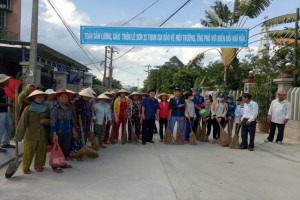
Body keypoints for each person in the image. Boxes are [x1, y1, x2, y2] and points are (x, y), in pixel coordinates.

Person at [15, 90, 50, 174]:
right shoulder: (28, 109)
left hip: (43, 134)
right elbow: (22, 123)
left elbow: (51, 121)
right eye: (38, 97)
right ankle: (26, 167)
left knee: (41, 151)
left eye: (42, 97)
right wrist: (18, 137)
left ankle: (38, 165)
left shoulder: (47, 109)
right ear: (33, 98)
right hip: (30, 134)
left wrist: (45, 121)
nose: (40, 98)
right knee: (28, 151)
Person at [50, 89, 77, 173]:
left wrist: (73, 130)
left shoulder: (69, 108)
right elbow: (53, 122)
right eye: (62, 96)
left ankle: (63, 163)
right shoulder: (55, 109)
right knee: (58, 149)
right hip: (58, 132)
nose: (64, 98)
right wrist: (54, 134)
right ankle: (55, 166)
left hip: (68, 131)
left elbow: (71, 121)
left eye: (66, 96)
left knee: (66, 148)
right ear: (58, 98)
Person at [0, 74, 13, 152]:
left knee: (9, 128)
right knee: (0, 129)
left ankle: (5, 142)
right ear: (2, 81)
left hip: (5, 111)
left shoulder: (3, 89)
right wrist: (7, 104)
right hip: (0, 112)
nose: (8, 81)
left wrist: (8, 103)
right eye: (6, 80)